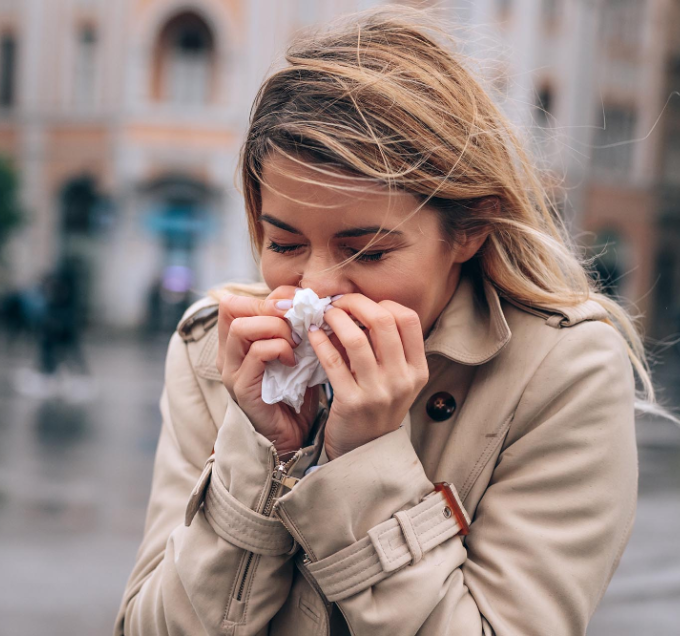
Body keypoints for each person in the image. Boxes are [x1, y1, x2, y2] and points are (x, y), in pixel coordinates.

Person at [116, 7, 656, 635]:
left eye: (367, 252)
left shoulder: (564, 372)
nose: (314, 286)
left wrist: (366, 458)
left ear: (469, 229)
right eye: (285, 244)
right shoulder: (214, 348)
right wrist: (260, 452)